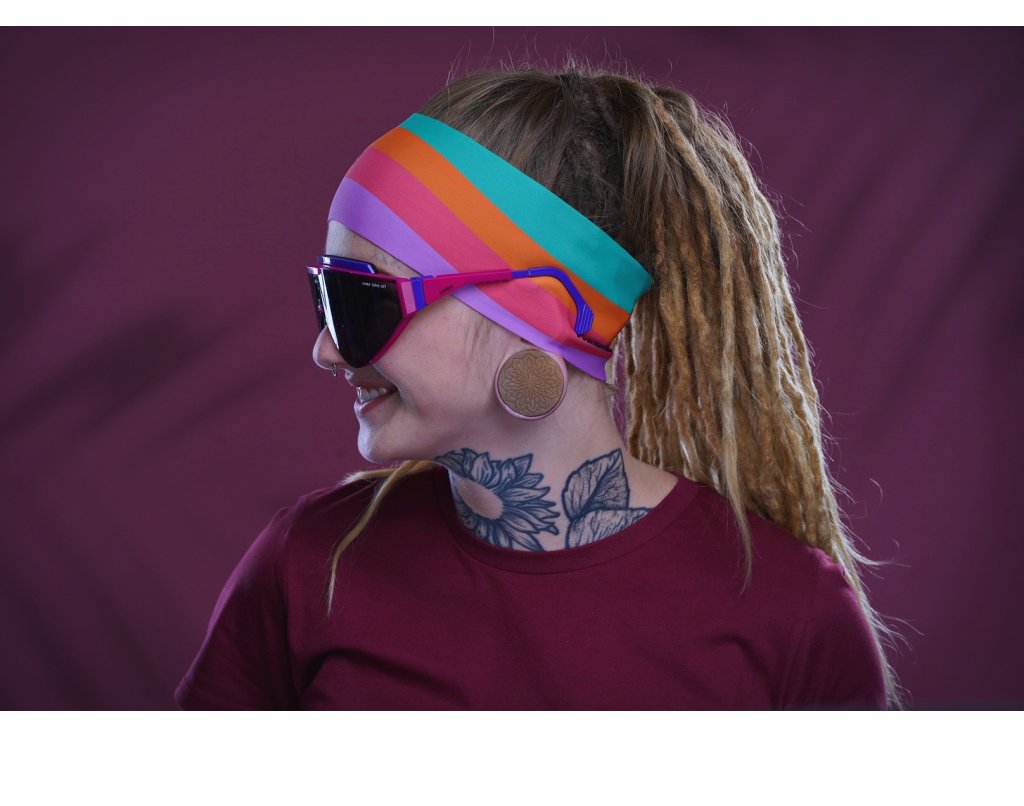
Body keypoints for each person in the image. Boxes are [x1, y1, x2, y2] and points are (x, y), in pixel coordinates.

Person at [176, 61, 905, 710]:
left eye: (361, 302)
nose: (326, 350)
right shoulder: (310, 564)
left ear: (539, 315)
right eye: (324, 297)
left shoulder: (791, 615)